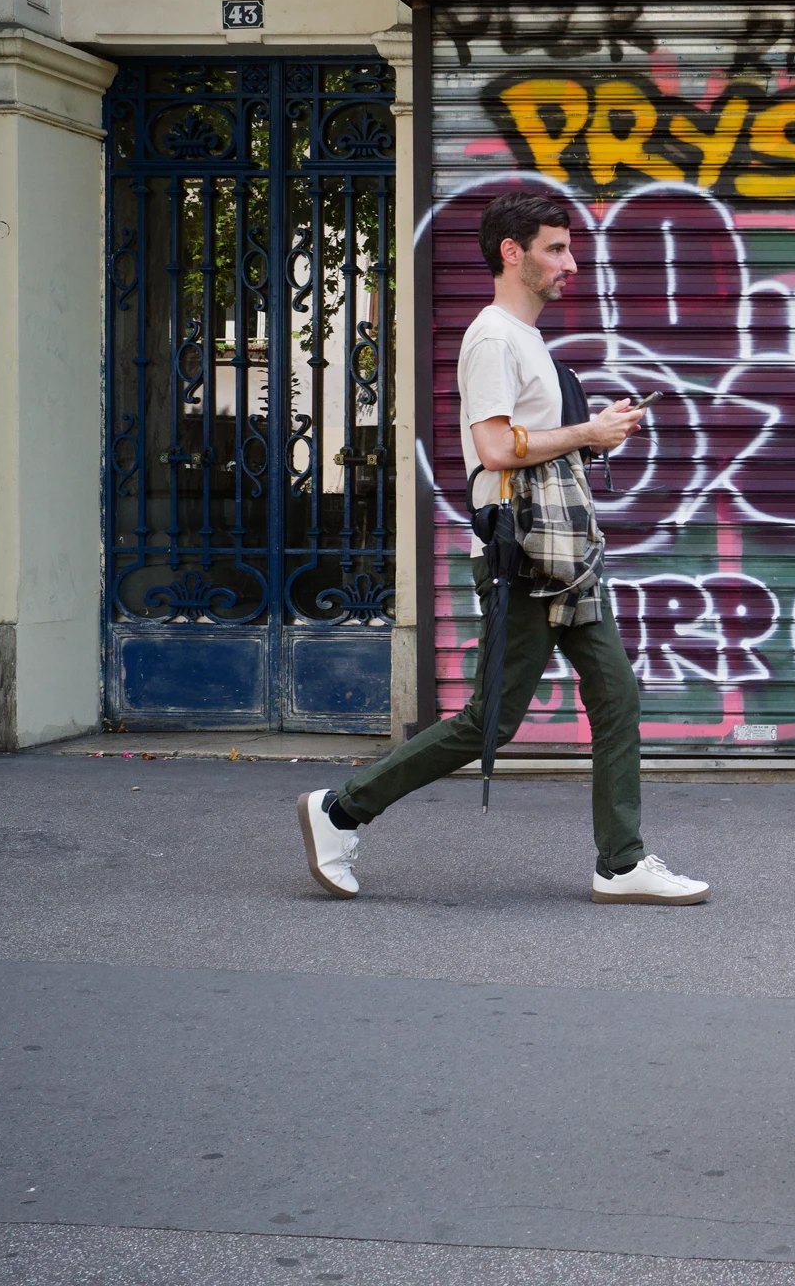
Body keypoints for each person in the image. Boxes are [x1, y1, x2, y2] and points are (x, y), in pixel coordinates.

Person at [294, 192, 709, 907]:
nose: (571, 263)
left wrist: (597, 423)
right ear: (512, 253)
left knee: (615, 694)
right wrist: (587, 436)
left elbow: (534, 438)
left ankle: (621, 862)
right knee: (487, 720)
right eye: (555, 248)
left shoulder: (526, 339)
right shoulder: (493, 337)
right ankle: (339, 810)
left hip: (562, 554)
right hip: (526, 557)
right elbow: (492, 449)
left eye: (569, 248)